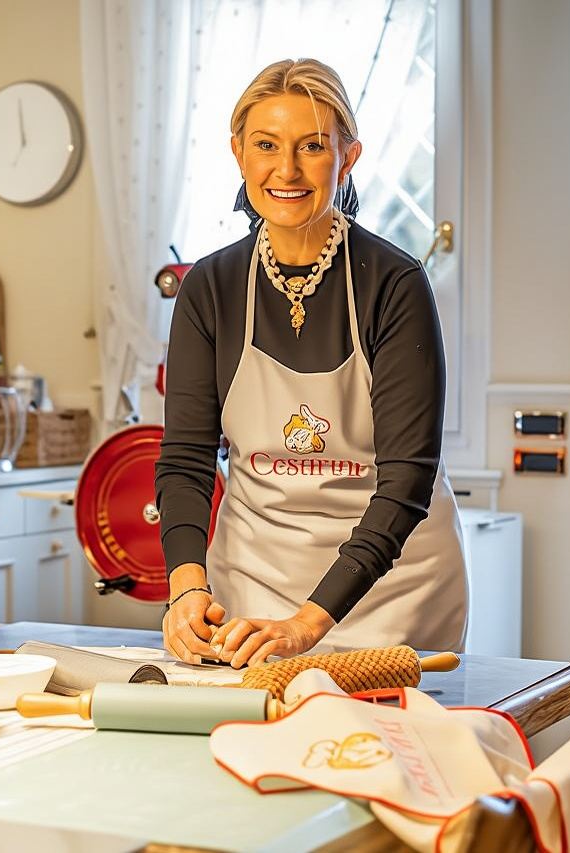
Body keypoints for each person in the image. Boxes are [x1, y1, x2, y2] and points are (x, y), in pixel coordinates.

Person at [155, 58, 467, 668]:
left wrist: (307, 623)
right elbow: (186, 458)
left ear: (348, 157)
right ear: (239, 154)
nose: (287, 170)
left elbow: (406, 481)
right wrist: (186, 587)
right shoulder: (210, 287)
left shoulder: (395, 282)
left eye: (313, 147)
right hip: (252, 584)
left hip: (390, 592)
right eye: (266, 146)